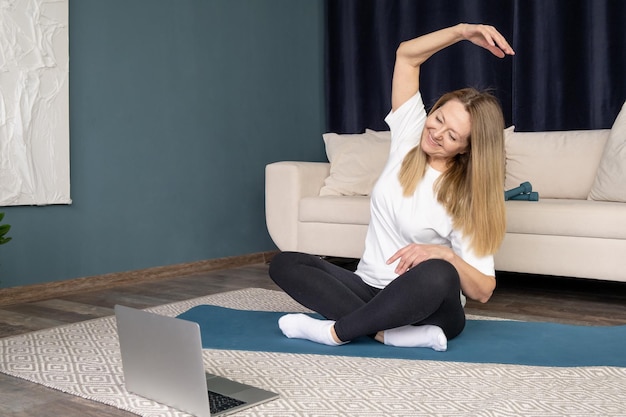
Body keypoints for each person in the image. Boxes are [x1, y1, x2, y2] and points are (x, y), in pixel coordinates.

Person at [269, 23, 515, 351]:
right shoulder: (410, 136)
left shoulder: (467, 197)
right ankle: (385, 333)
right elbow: (407, 57)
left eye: (452, 136)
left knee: (440, 272)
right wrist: (462, 32)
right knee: (285, 263)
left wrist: (444, 254)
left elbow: (483, 289)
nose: (437, 133)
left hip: (430, 310)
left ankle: (334, 333)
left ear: (467, 149)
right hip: (370, 289)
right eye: (439, 118)